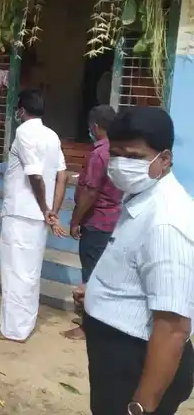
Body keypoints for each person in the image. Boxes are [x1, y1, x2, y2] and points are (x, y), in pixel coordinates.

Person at [82, 106, 194, 415]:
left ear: (165, 159)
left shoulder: (166, 222)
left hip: (137, 364)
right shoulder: (141, 195)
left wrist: (141, 407)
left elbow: (172, 328)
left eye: (133, 157)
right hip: (117, 358)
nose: (120, 165)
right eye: (115, 155)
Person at [0, 89, 69, 343]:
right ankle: (24, 325)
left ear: (22, 110)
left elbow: (34, 175)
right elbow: (62, 175)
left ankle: (13, 330)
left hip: (22, 213)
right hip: (37, 218)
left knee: (15, 273)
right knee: (30, 272)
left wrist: (46, 208)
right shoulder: (52, 135)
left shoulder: (24, 132)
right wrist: (52, 211)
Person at [62, 104, 122, 340]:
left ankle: (89, 326)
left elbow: (90, 192)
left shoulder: (99, 153)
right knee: (102, 273)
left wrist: (76, 220)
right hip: (112, 220)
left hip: (96, 222)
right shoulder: (118, 150)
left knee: (92, 275)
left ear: (95, 127)